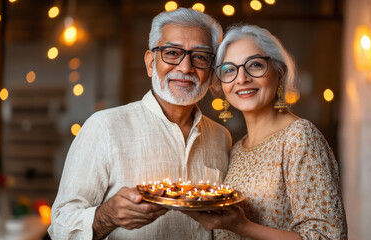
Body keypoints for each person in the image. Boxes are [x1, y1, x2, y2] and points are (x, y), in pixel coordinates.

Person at [48, 8, 232, 240]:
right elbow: (60, 227)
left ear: (211, 70)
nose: (186, 68)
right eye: (172, 53)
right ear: (150, 62)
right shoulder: (104, 127)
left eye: (200, 56)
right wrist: (107, 216)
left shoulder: (221, 137)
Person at [183, 25, 347, 239]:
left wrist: (242, 226)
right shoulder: (237, 148)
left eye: (255, 65)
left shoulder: (299, 136)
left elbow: (328, 236)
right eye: (230, 69)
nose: (242, 79)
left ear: (280, 72)